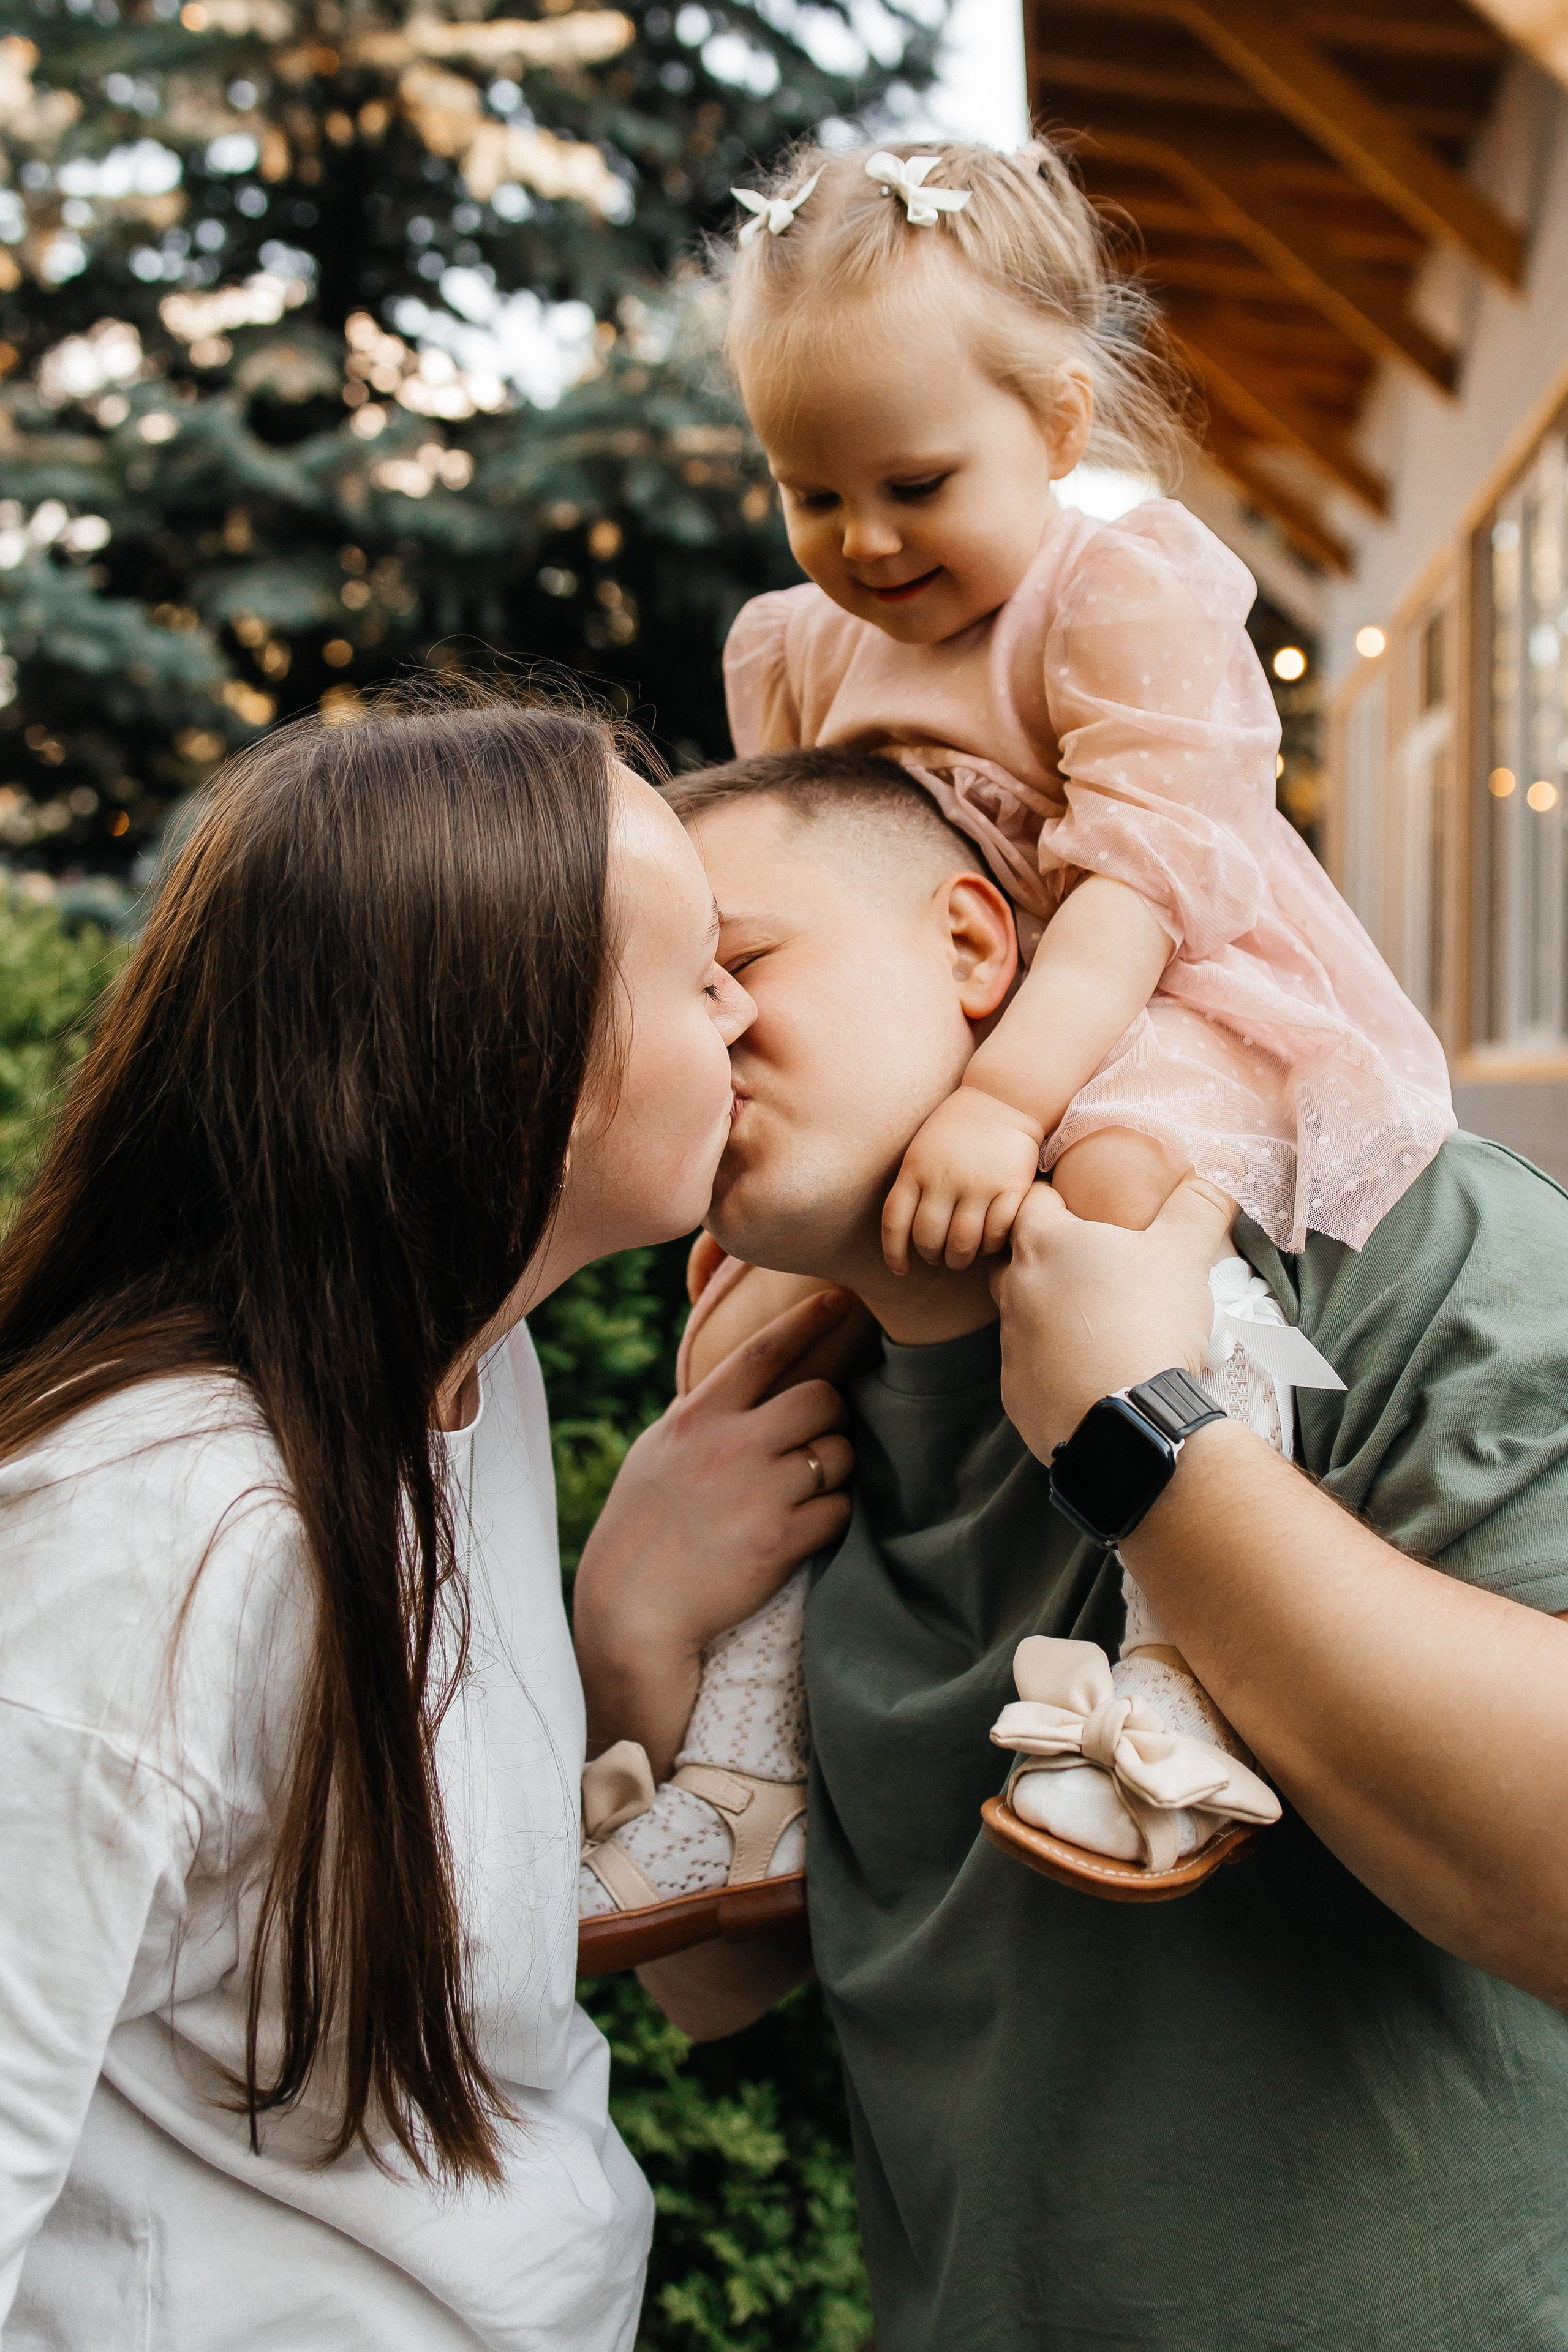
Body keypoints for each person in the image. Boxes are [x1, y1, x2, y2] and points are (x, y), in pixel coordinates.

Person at [578, 754, 1568, 2352]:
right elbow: (715, 1987)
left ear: (975, 947)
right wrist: (627, 1640)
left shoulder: (1380, 1234)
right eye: (647, 998)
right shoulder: (761, 1424)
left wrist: (1146, 1445)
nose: (701, 1032)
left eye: (741, 963)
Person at [0, 693, 853, 2349]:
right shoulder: (149, 1533)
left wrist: (624, 1634)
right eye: (699, 976)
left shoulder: (477, 1375)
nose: (747, 1014)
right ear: (518, 1061)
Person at [690, 132, 1458, 1875]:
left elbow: (1140, 891)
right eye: (811, 491)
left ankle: (1181, 1679)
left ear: (1050, 427)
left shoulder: (1114, 592)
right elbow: (833, 880)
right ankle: (742, 1759)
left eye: (911, 480)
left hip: (1166, 998)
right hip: (974, 1024)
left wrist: (1000, 1104)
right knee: (745, 1304)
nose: (862, 539)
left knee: (1116, 1206)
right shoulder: (796, 643)